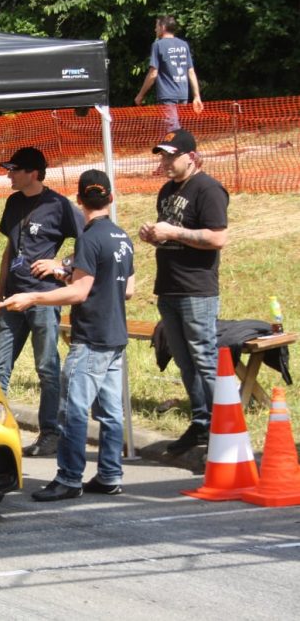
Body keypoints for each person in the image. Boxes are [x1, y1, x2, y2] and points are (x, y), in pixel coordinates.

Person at [1, 170, 136, 501]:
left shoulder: (89, 239)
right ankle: (109, 475)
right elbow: (128, 290)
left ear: (79, 200)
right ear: (111, 199)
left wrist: (33, 297)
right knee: (110, 413)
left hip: (91, 338)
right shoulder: (122, 237)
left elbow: (79, 292)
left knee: (74, 410)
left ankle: (69, 478)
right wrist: (66, 275)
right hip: (116, 336)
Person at [138, 129, 228, 456]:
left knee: (204, 358)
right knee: (185, 362)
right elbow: (173, 234)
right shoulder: (166, 190)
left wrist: (172, 231)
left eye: (172, 156)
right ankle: (201, 422)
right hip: (169, 287)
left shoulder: (208, 189)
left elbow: (218, 238)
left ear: (191, 156)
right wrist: (154, 235)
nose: (166, 162)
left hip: (197, 289)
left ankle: (226, 426)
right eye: (163, 156)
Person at [0, 147, 83, 457]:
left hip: (43, 297)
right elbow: (7, 251)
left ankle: (50, 433)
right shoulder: (13, 202)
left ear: (33, 173)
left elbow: (89, 241)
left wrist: (61, 266)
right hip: (13, 298)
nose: (8, 175)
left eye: (14, 170)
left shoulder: (58, 205)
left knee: (46, 367)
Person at [134, 15, 204, 131]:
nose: (155, 29)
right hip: (183, 95)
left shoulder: (158, 45)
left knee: (172, 131)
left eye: (156, 26)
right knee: (178, 130)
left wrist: (140, 95)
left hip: (167, 96)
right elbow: (191, 72)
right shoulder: (183, 45)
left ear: (163, 27)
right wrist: (197, 96)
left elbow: (153, 74)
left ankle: (176, 148)